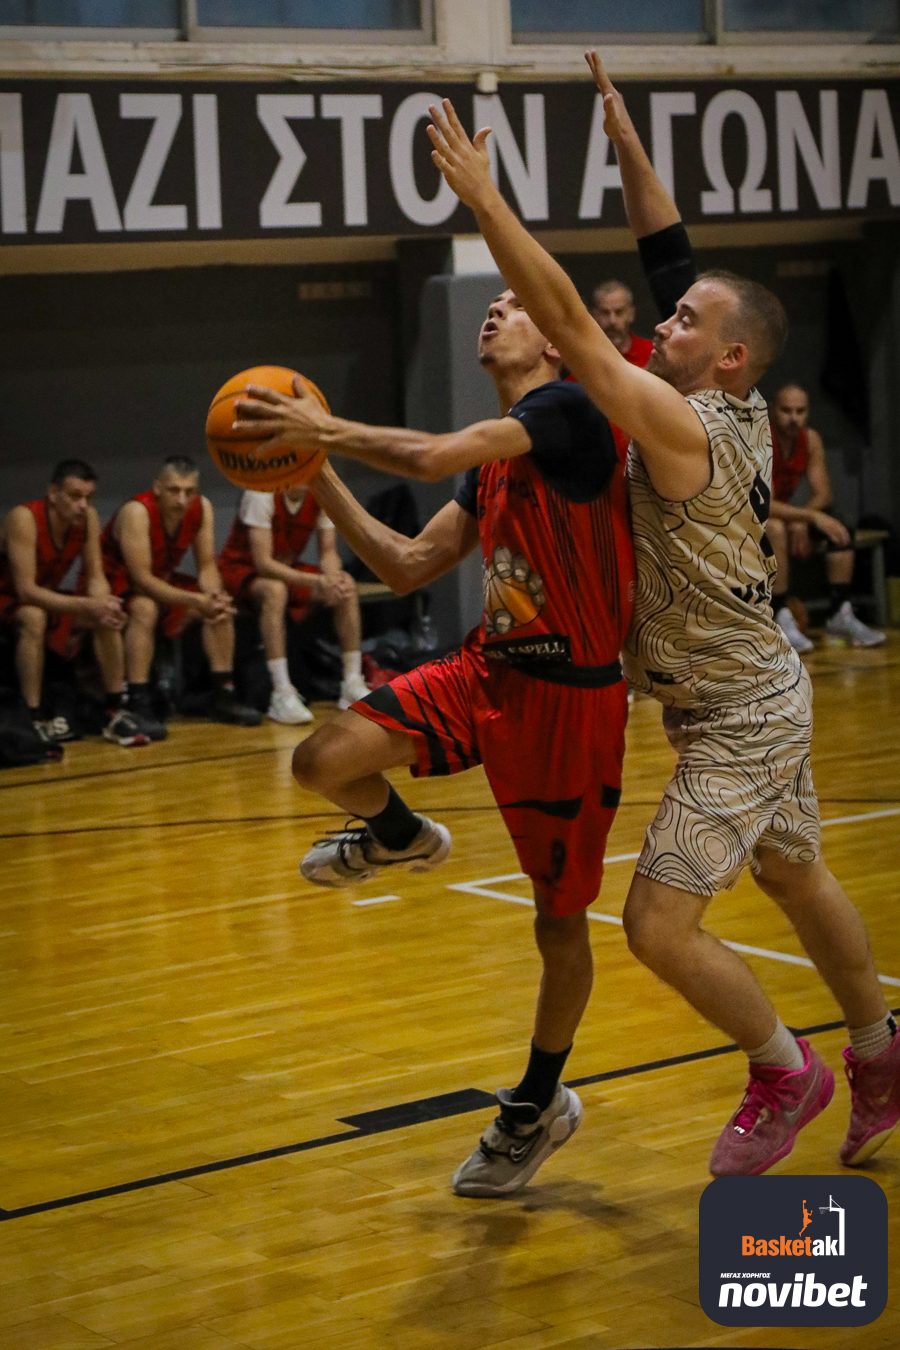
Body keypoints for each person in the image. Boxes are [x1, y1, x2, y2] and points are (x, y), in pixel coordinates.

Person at [424, 52, 899, 1180]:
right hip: (747, 688)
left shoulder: (689, 422)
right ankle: (882, 1051)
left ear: (727, 355)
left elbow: (581, 334)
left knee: (654, 925)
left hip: (740, 713)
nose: (660, 320)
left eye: (682, 320)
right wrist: (625, 138)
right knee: (791, 875)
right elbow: (668, 248)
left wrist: (487, 202)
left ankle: (787, 1066)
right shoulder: (695, 390)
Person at [235, 270, 641, 1197]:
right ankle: (398, 835)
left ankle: (539, 1101)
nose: (493, 309)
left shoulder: (573, 411)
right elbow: (408, 563)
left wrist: (323, 431)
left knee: (558, 922)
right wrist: (317, 472)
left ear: (552, 337)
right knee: (320, 759)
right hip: (489, 670)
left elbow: (422, 459)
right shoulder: (493, 459)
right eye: (487, 302)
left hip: (570, 705)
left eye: (511, 302)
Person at [0, 459, 160, 748]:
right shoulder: (23, 518)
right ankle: (33, 715)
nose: (83, 505)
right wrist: (86, 605)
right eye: (75, 496)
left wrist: (103, 603)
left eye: (88, 497)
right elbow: (25, 590)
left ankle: (114, 709)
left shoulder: (88, 518)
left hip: (47, 594)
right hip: (10, 596)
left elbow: (96, 576)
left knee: (107, 616)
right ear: (53, 493)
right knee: (34, 616)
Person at [100, 455, 260, 728]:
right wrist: (196, 599)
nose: (182, 500)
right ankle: (139, 699)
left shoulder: (202, 508)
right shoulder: (137, 512)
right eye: (174, 490)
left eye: (189, 492)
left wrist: (212, 595)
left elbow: (207, 566)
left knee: (219, 608)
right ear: (158, 488)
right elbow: (141, 580)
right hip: (119, 584)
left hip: (164, 579)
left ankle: (224, 694)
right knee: (145, 609)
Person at [218, 484, 371, 724]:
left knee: (347, 586)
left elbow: (329, 551)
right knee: (275, 591)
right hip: (240, 570)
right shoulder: (261, 494)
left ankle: (351, 682)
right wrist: (316, 580)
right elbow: (263, 563)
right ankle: (281, 691)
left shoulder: (322, 493)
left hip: (286, 570)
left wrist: (332, 577)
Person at [768, 383, 885, 652]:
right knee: (775, 527)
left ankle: (838, 612)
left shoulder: (811, 439)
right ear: (774, 410)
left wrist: (804, 519)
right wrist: (807, 517)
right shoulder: (762, 437)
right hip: (753, 517)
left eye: (801, 411)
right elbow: (765, 504)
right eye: (786, 411)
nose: (794, 418)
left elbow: (824, 494)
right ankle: (780, 613)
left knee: (838, 527)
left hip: (789, 514)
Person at [590, 279, 654, 368]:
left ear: (631, 314)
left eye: (619, 312)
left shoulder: (653, 354)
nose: (612, 321)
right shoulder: (586, 365)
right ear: (594, 316)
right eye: (605, 313)